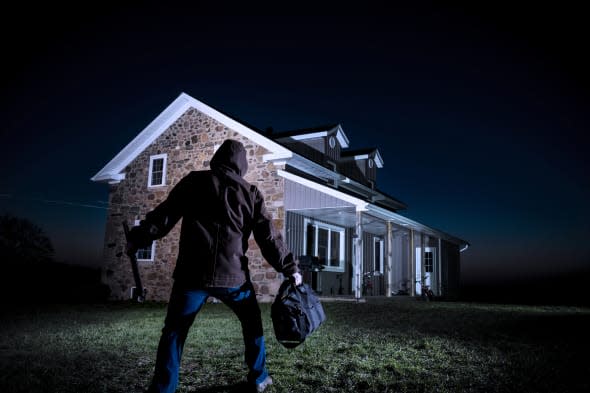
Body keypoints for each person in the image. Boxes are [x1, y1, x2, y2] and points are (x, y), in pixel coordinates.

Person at [126, 139, 302, 393]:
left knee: (174, 332)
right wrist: (291, 269)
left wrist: (137, 238)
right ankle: (259, 377)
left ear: (217, 158)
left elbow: (164, 216)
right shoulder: (250, 193)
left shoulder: (193, 181)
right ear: (242, 165)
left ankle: (163, 389)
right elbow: (269, 239)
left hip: (191, 275)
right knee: (252, 325)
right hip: (234, 279)